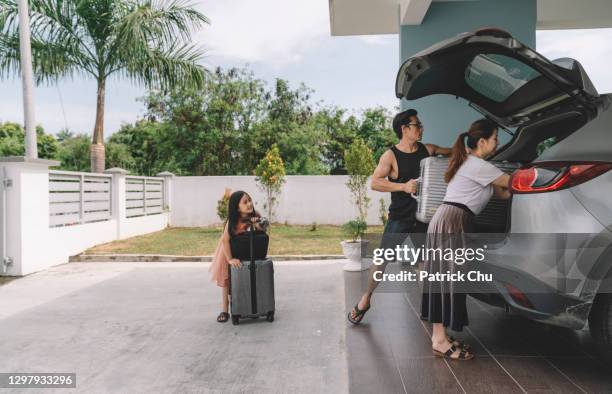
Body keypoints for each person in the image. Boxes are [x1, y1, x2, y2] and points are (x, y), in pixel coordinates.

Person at [348, 108, 451, 324]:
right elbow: (375, 182)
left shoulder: (428, 149)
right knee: (382, 261)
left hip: (423, 219)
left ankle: (430, 310)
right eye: (417, 125)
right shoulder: (391, 155)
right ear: (404, 129)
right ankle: (366, 299)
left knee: (424, 263)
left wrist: (466, 146)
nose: (422, 128)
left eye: (420, 125)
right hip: (400, 218)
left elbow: (453, 153)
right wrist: (403, 186)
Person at [420, 118, 511, 360]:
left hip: (452, 220)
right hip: (453, 221)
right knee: (446, 279)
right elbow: (511, 184)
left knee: (448, 279)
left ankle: (441, 335)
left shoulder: (477, 165)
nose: (497, 142)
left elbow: (503, 193)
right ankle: (439, 339)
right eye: (495, 138)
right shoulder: (478, 165)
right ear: (482, 141)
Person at [209, 191, 266, 323]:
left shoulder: (256, 216)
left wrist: (256, 223)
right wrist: (229, 259)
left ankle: (251, 304)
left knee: (248, 276)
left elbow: (262, 230)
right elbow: (225, 240)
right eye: (245, 202)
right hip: (228, 251)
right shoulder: (232, 221)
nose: (249, 204)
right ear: (237, 207)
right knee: (226, 280)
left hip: (245, 249)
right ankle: (224, 309)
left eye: (250, 200)